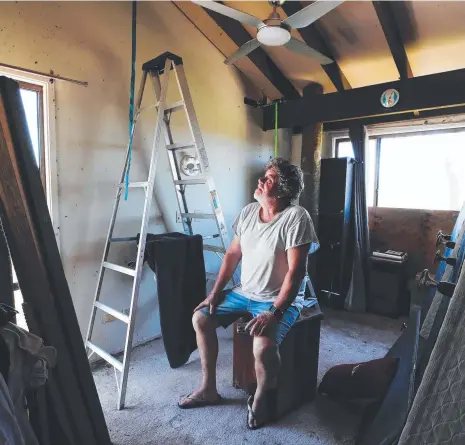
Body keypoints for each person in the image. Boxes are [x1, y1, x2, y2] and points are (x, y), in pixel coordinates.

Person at [178, 157, 319, 429]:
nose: (260, 181)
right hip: (245, 292)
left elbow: (296, 272)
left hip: (276, 298)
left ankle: (261, 399)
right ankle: (208, 389)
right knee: (201, 318)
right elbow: (232, 254)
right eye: (263, 177)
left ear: (284, 190)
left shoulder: (296, 217)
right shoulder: (248, 212)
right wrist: (215, 293)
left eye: (268, 179)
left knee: (263, 346)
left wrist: (275, 312)